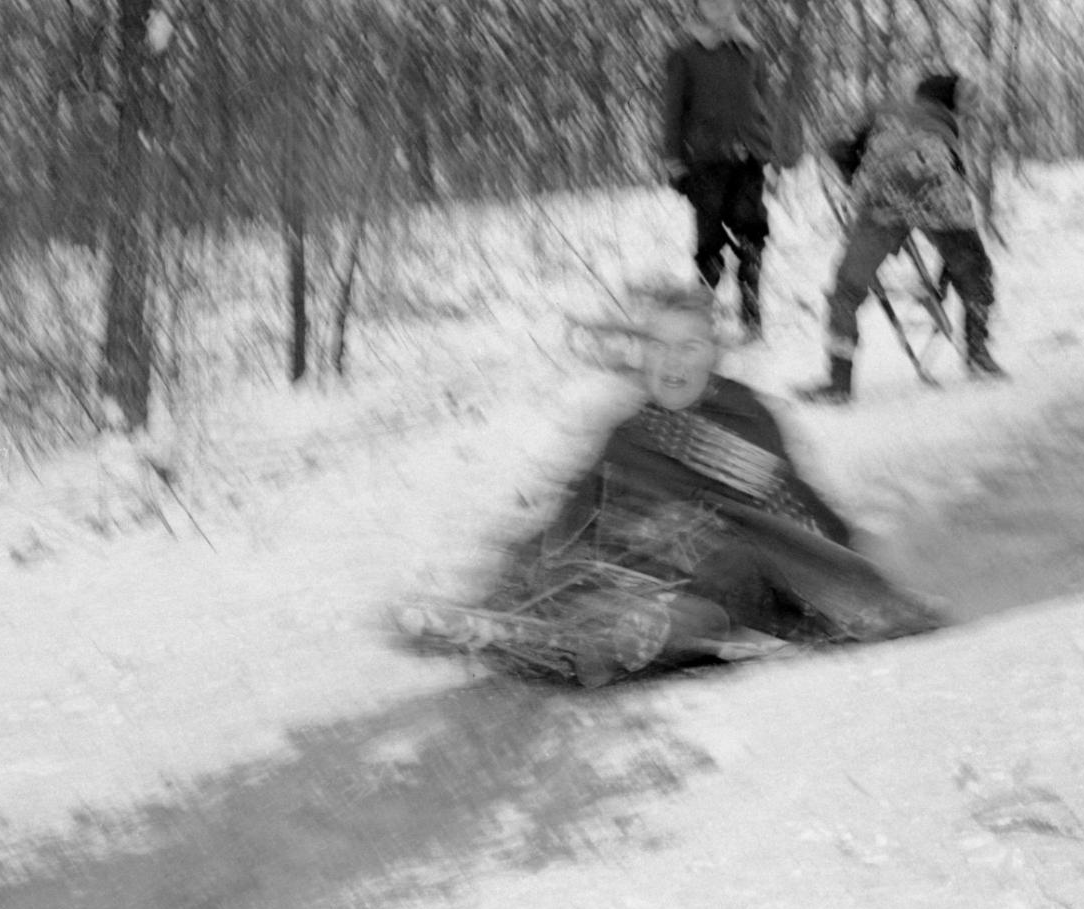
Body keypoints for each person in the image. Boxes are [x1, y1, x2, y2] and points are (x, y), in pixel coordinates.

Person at [401, 285, 941, 687]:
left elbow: (791, 510)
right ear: (640, 354)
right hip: (636, 567)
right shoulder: (630, 431)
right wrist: (511, 579)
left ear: (713, 354)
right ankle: (527, 627)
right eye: (658, 346)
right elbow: (580, 507)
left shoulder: (744, 417)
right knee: (550, 546)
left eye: (689, 347)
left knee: (723, 549)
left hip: (732, 581)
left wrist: (855, 568)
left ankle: (643, 632)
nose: (671, 361)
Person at [800, 70, 1004, 400]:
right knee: (976, 270)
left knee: (847, 288)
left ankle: (838, 379)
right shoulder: (945, 129)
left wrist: (857, 183)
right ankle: (978, 353)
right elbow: (955, 184)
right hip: (937, 190)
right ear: (949, 103)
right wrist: (953, 264)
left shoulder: (887, 114)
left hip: (882, 197)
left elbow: (840, 150)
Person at [659, 0, 781, 337]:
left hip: (749, 157)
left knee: (751, 237)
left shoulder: (750, 50)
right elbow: (672, 111)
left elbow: (762, 101)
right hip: (706, 160)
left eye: (725, 0)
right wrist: (674, 161)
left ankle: (752, 318)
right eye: (710, 1)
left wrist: (768, 149)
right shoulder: (684, 52)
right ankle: (702, 322)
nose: (720, 7)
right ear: (697, 7)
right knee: (710, 243)